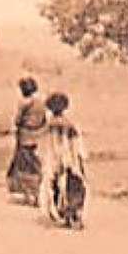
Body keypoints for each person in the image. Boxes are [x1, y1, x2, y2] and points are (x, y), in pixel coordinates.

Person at [37, 93, 88, 229]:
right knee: (73, 186)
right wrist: (80, 158)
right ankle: (73, 214)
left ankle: (60, 214)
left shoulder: (48, 126)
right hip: (69, 157)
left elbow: (43, 145)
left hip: (52, 158)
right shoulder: (70, 125)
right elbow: (77, 144)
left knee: (54, 187)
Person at [7, 77, 46, 205]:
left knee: (25, 167)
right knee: (36, 165)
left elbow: (17, 120)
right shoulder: (41, 103)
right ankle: (38, 193)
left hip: (25, 136)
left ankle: (30, 195)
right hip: (38, 136)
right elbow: (44, 120)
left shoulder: (24, 103)